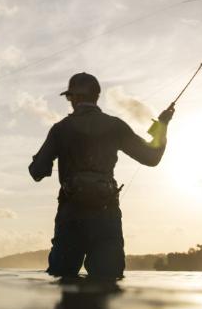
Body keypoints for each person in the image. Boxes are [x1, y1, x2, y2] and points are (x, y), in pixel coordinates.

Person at [29, 72, 174, 279]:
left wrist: (44, 160)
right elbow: (151, 158)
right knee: (108, 283)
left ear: (75, 98)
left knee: (61, 279)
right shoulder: (115, 126)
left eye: (70, 97)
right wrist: (162, 126)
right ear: (96, 96)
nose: (70, 101)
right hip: (106, 215)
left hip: (71, 216)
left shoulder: (60, 129)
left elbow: (36, 172)